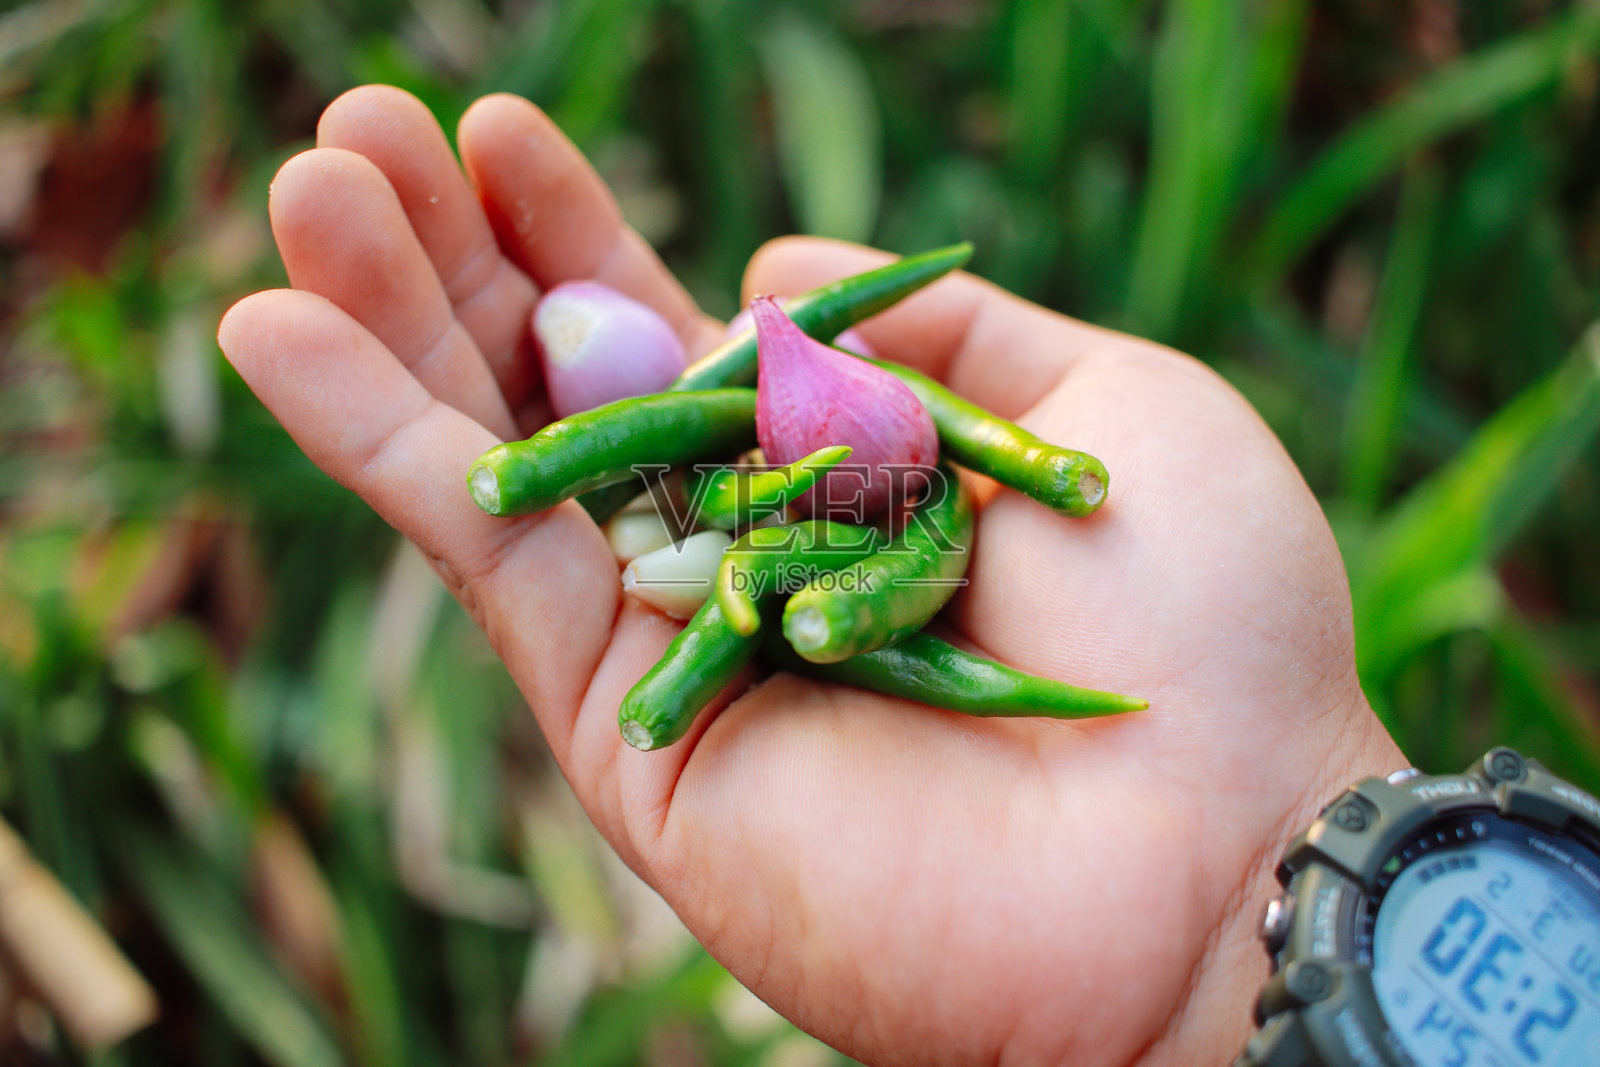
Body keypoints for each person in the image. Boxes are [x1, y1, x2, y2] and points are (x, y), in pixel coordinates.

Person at [218, 85, 1406, 1065]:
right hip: (769, 508)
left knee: (763, 565)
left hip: (837, 523)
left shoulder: (890, 506)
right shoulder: (739, 486)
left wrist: (1244, 868)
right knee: (684, 537)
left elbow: (881, 493)